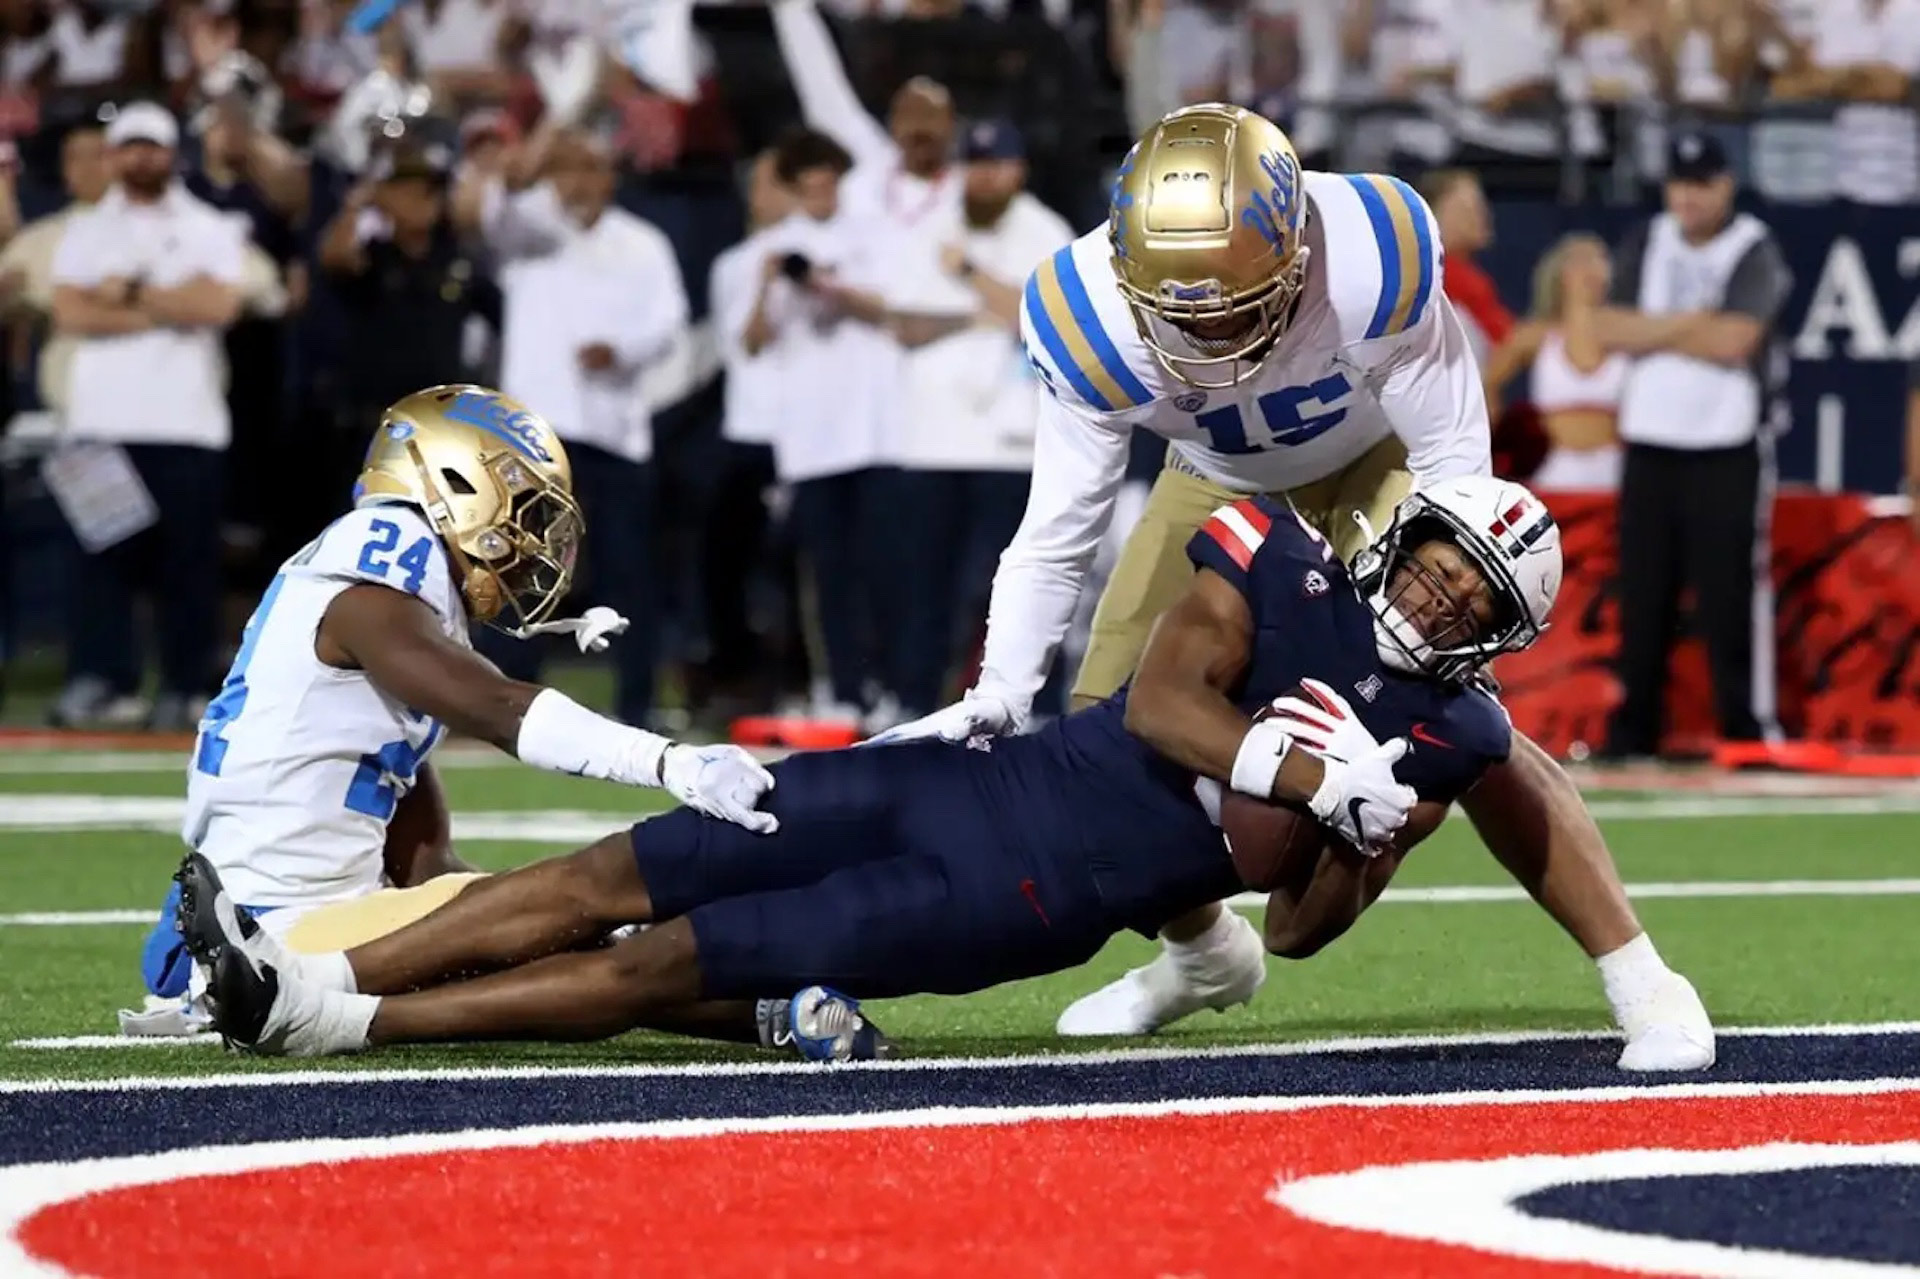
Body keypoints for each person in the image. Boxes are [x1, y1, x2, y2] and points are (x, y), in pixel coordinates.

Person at [178, 478, 1682, 1070]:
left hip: (1023, 896)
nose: (1437, 599)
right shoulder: (1274, 554)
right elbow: (1164, 700)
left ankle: (339, 1014)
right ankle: (321, 989)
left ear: (1504, 630)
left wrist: (1367, 837)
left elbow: (1298, 931)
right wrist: (1299, 758)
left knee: (667, 959)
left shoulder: (1454, 742)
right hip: (970, 783)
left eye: (1473, 597)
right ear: (1400, 538)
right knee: (623, 864)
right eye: (1437, 564)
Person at [870, 103, 1712, 1069]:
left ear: (1296, 253)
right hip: (1217, 478)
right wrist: (1002, 691)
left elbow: (1452, 456)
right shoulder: (1087, 316)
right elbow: (1057, 531)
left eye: (1234, 301)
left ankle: (1641, 976)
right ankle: (1201, 955)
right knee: (1107, 722)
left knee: (1468, 721)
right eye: (1182, 308)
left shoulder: (1370, 259)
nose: (1210, 329)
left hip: (1381, 459)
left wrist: (1420, 637)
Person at [132, 384, 779, 1029]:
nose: (536, 540)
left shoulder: (405, 596)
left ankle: (777, 1011)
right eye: (524, 510)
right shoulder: (382, 543)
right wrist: (671, 764)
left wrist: (526, 920)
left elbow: (425, 863)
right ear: (454, 484)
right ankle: (769, 1006)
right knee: (590, 886)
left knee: (574, 934)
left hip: (317, 917)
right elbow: (498, 706)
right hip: (269, 928)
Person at [1594, 130, 1791, 760]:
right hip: (1650, 440)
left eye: (1701, 184)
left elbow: (1737, 339)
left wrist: (1650, 330)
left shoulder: (1752, 246)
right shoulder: (1646, 238)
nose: (1688, 197)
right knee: (1644, 593)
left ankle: (1744, 729)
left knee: (1729, 594)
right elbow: (1604, 327)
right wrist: (1695, 322)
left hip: (1724, 442)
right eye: (1679, 184)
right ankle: (1635, 731)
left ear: (1725, 185)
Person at [1482, 233, 1629, 491]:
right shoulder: (1536, 335)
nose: (1592, 268)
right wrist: (1499, 443)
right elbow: (1486, 385)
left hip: (1614, 472)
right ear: (1560, 274)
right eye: (1581, 260)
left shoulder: (1628, 335)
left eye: (1599, 260)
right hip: (1553, 472)